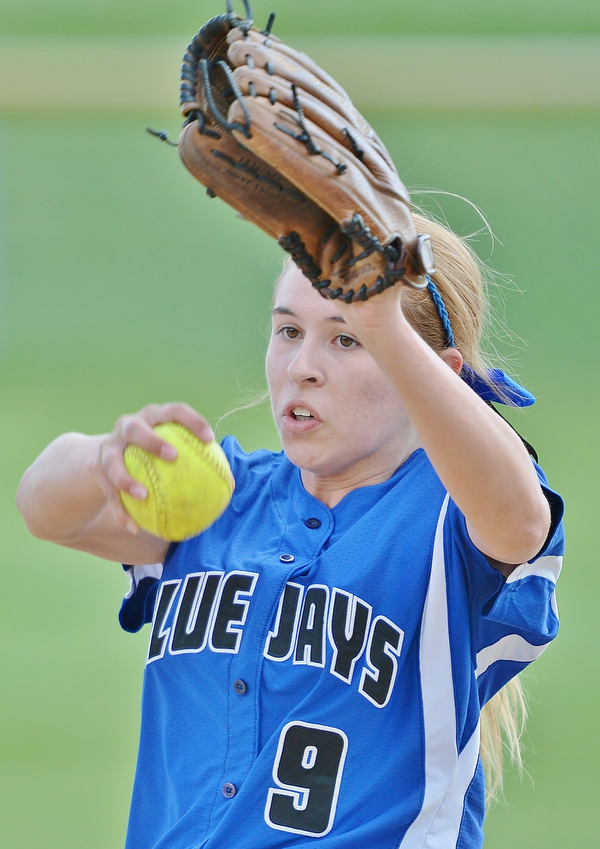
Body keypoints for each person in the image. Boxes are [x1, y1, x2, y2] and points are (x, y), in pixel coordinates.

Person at [16, 213, 564, 849]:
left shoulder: (448, 520)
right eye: (288, 330)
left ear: (434, 374)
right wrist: (103, 457)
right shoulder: (224, 497)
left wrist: (382, 320)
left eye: (346, 339)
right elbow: (43, 505)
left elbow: (520, 515)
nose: (302, 366)